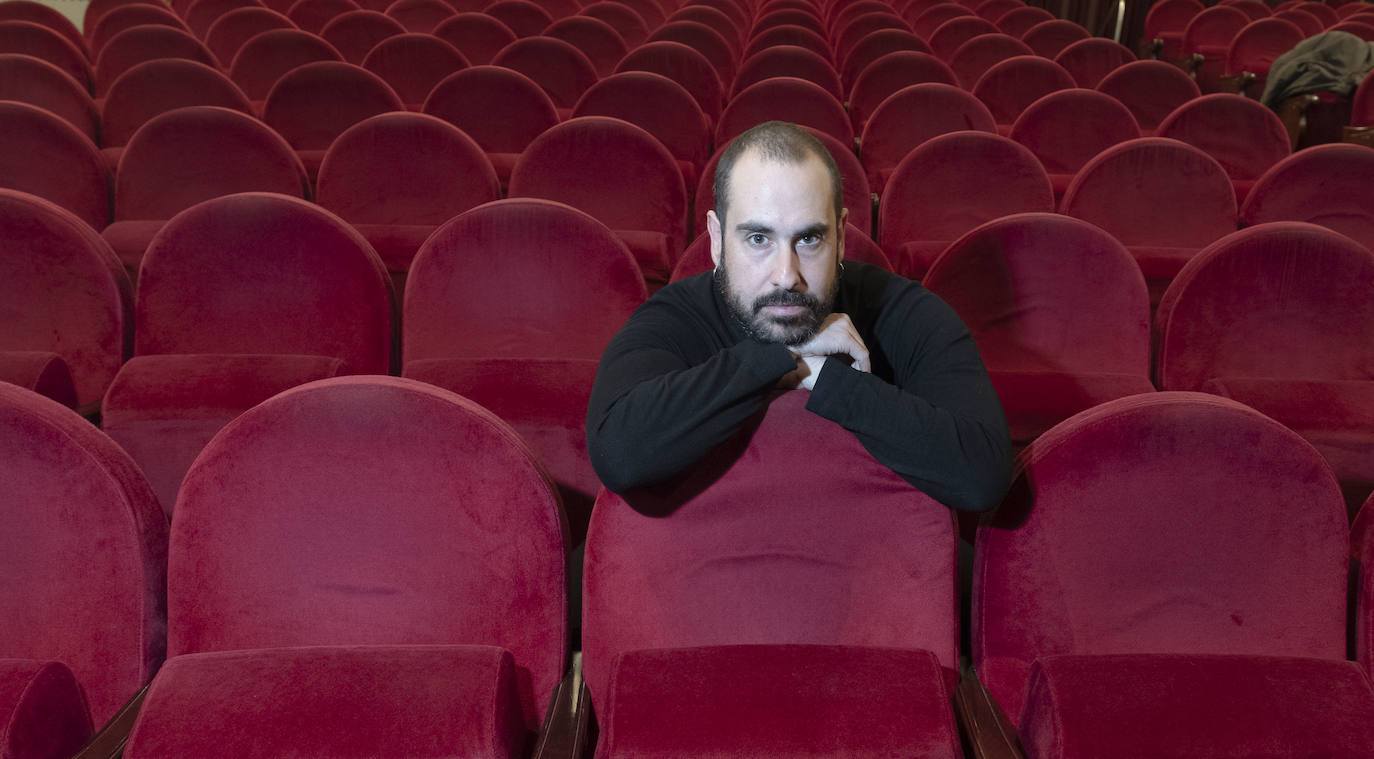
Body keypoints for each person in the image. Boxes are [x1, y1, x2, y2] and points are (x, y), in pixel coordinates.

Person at [585, 121, 1012, 512]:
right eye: (758, 238)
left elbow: (983, 476)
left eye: (808, 238)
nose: (787, 276)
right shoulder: (674, 318)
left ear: (841, 237)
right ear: (716, 240)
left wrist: (827, 378)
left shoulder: (904, 310)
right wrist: (783, 360)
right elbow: (620, 455)